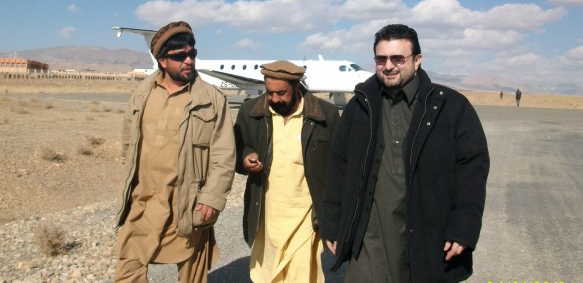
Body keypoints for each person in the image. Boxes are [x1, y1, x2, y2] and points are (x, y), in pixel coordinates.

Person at [321, 24, 490, 283]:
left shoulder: (450, 107)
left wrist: (464, 226)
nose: (388, 66)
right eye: (381, 59)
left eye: (398, 58)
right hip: (370, 235)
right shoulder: (360, 107)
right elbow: (338, 167)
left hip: (427, 233)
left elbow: (472, 169)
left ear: (417, 60)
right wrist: (332, 223)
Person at [114, 21, 236, 283]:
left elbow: (224, 155)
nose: (189, 60)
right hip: (144, 200)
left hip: (187, 201)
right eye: (180, 56)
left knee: (192, 272)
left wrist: (212, 198)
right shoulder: (142, 93)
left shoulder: (212, 100)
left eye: (192, 53)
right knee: (129, 265)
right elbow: (129, 141)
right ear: (162, 61)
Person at [234, 60, 340, 282]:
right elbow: (237, 148)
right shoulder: (250, 111)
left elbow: (338, 166)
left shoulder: (325, 115)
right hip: (267, 214)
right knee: (268, 273)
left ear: (296, 86)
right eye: (269, 92)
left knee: (300, 275)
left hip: (305, 216)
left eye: (281, 93)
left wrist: (335, 217)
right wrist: (246, 157)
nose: (274, 99)